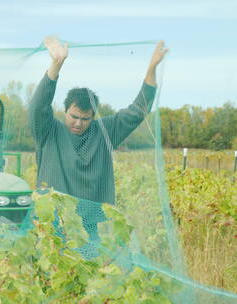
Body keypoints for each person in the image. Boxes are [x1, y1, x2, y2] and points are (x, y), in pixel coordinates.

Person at [29, 36, 168, 205]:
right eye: (74, 116)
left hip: (92, 221)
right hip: (53, 220)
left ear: (93, 117)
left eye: (85, 119)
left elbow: (137, 111)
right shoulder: (48, 131)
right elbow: (38, 106)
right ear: (65, 111)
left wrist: (151, 68)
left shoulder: (104, 131)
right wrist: (56, 64)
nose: (79, 123)